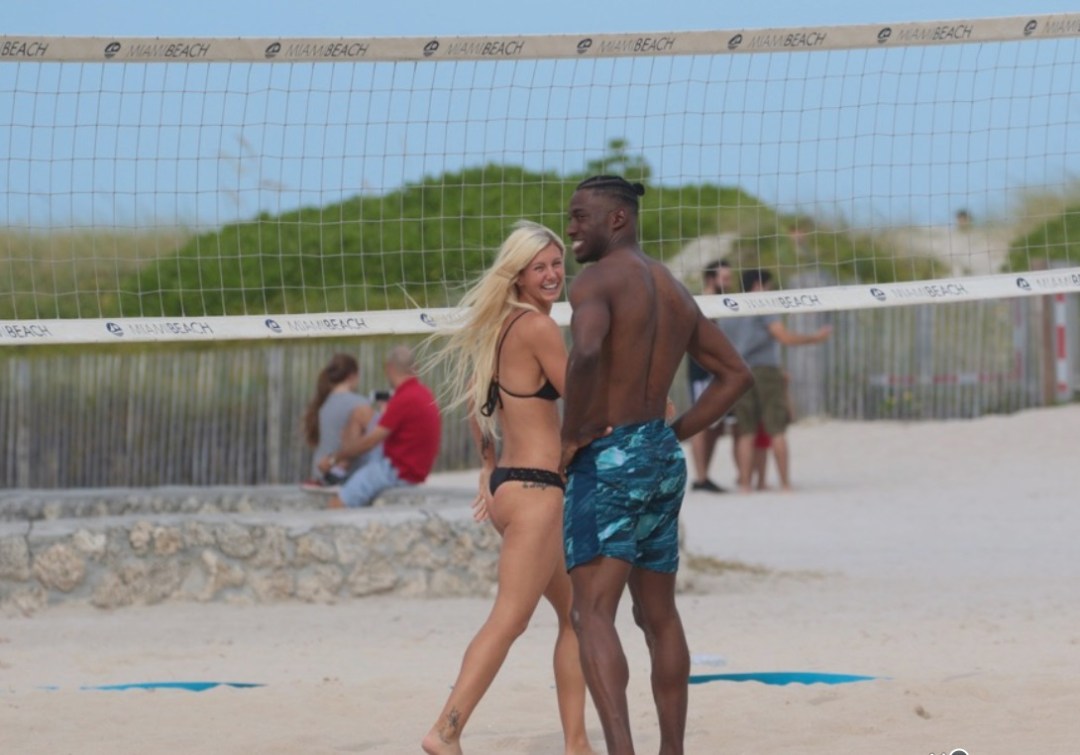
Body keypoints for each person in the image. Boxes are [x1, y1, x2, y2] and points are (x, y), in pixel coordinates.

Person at [559, 175, 753, 755]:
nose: (571, 227)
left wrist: (572, 434)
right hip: (661, 456)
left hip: (610, 456)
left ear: (616, 219)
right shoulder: (671, 288)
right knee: (658, 615)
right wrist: (674, 433)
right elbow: (735, 375)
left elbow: (586, 351)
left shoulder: (595, 281)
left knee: (592, 613)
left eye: (580, 216)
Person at [421, 221, 595, 755]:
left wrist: (487, 466)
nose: (552, 274)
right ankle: (445, 731)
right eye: (539, 267)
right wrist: (647, 406)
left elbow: (475, 400)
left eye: (557, 263)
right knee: (509, 620)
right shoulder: (538, 327)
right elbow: (582, 400)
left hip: (511, 487)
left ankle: (577, 743)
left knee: (577, 617)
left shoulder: (499, 326)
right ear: (517, 275)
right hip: (538, 493)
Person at [726, 269, 831, 492]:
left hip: (739, 372)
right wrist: (815, 338)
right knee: (777, 429)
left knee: (746, 432)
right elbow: (783, 336)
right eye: (769, 286)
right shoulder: (763, 305)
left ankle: (745, 485)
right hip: (764, 371)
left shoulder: (728, 310)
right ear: (758, 285)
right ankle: (785, 484)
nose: (771, 290)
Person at [323, 345, 440, 509]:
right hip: (414, 468)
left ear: (389, 368)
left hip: (397, 471)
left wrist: (334, 458)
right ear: (416, 368)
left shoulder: (404, 398)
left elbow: (370, 442)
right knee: (360, 414)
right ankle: (343, 469)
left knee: (337, 504)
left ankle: (340, 471)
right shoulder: (424, 393)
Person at [685, 259, 735, 493]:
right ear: (711, 279)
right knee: (701, 422)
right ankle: (700, 477)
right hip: (701, 371)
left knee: (716, 425)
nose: (729, 282)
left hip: (718, 370)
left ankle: (704, 475)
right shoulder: (702, 302)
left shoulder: (724, 302)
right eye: (725, 278)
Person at [301, 353, 378, 492]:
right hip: (343, 480)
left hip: (319, 474)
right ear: (352, 376)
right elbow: (377, 436)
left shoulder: (322, 404)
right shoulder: (359, 404)